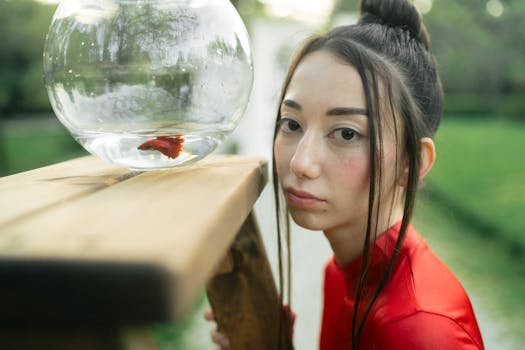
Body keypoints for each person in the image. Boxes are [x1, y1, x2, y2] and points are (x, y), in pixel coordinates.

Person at [207, 0, 485, 348]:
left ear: (411, 164)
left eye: (347, 133)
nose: (300, 164)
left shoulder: (421, 330)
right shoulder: (340, 274)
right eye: (291, 123)